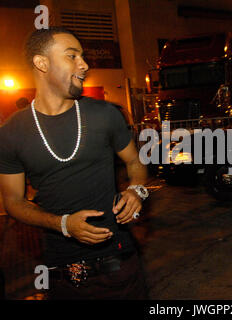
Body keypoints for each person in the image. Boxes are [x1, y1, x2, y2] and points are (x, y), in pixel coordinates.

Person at [0, 27, 149, 300]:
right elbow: (12, 201)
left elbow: (135, 163)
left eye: (82, 56)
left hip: (120, 268)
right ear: (41, 62)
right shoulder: (10, 133)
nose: (85, 64)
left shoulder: (105, 115)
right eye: (72, 56)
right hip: (61, 277)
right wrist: (63, 225)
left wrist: (137, 190)